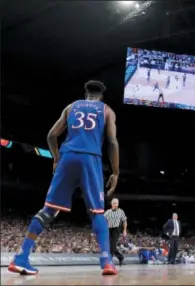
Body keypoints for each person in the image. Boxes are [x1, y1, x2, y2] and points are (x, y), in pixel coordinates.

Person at [8, 80, 120, 276]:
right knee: (97, 212)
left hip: (68, 157)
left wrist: (56, 158)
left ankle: (22, 256)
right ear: (101, 96)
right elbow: (112, 141)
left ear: (85, 93)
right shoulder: (107, 110)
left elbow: (52, 135)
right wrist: (116, 171)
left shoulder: (71, 107)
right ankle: (106, 262)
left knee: (48, 210)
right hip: (90, 159)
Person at [104, 198, 127, 265]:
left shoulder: (121, 211)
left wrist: (124, 230)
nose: (116, 205)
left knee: (112, 246)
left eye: (117, 203)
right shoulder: (108, 212)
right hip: (109, 229)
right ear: (111, 204)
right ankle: (121, 257)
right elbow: (103, 221)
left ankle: (109, 261)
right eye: (114, 203)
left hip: (116, 229)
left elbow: (124, 221)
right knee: (111, 246)